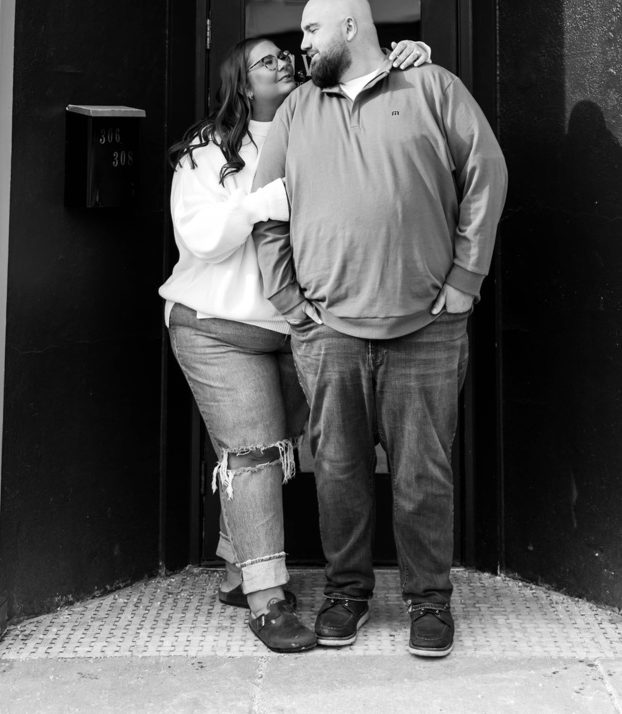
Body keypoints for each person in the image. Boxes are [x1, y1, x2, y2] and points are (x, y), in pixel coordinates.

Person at [254, 0, 507, 661]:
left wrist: (466, 278)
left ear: (349, 24)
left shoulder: (431, 85)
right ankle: (347, 593)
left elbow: (488, 173)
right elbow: (267, 209)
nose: (300, 43)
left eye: (310, 28)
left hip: (426, 325)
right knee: (337, 469)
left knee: (423, 472)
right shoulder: (297, 110)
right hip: (331, 329)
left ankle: (430, 601)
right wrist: (286, 299)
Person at [160, 32, 431, 653]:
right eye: (264, 60)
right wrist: (263, 201)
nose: (282, 61)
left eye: (286, 54)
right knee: (253, 453)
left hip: (298, 330)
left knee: (275, 450)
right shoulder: (205, 153)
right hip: (216, 327)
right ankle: (266, 599)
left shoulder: (318, 124)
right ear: (240, 83)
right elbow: (203, 240)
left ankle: (237, 569)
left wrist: (407, 56)